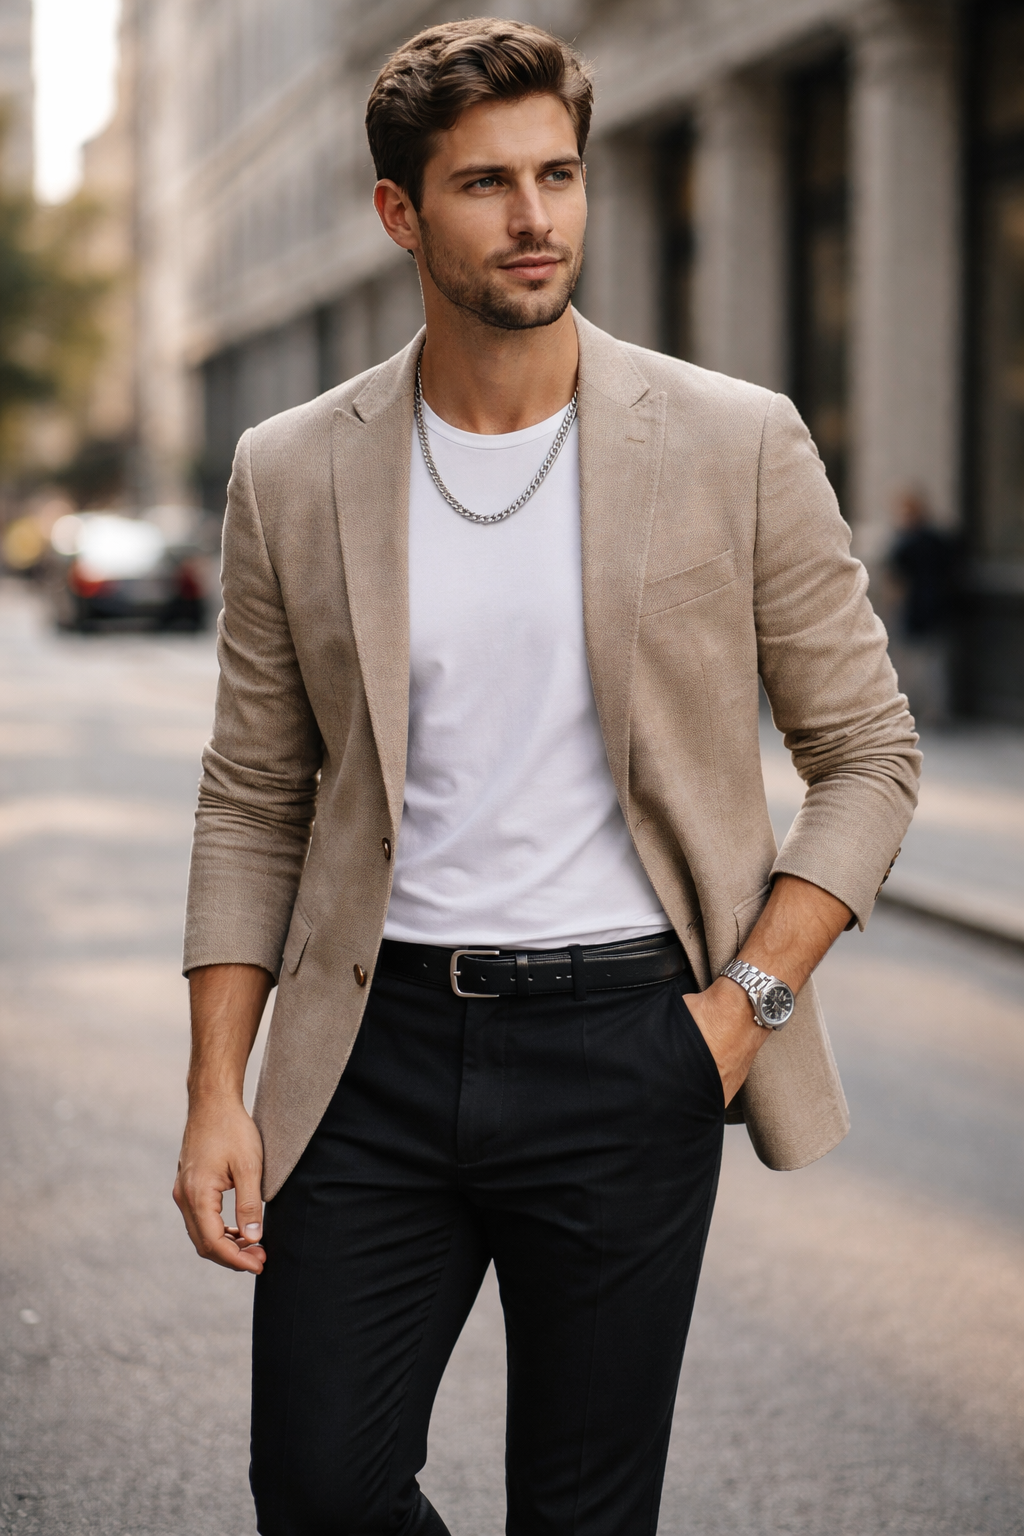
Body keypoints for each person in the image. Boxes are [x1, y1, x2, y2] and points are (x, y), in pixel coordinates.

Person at [173, 19, 920, 1535]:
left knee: (584, 1512)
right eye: (487, 184)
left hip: (630, 1043)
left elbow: (867, 757)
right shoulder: (293, 466)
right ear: (400, 213)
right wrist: (213, 1090)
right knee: (319, 1489)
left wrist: (743, 1010)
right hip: (369, 1058)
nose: (536, 217)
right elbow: (255, 792)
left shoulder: (732, 440)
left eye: (560, 175)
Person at [888, 487, 958, 727]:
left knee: (918, 663)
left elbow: (896, 576)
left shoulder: (909, 542)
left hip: (919, 609)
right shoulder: (934, 539)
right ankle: (932, 709)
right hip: (933, 609)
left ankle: (921, 708)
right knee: (930, 663)